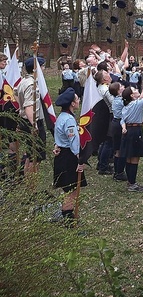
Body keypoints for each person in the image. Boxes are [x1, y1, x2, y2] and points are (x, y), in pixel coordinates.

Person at [52, 88, 86, 225]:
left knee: (69, 189)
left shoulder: (61, 117)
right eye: (77, 99)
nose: (79, 101)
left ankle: (68, 215)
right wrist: (80, 160)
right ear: (72, 103)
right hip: (69, 158)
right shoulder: (69, 121)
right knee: (71, 190)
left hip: (62, 155)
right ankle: (68, 220)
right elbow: (74, 142)